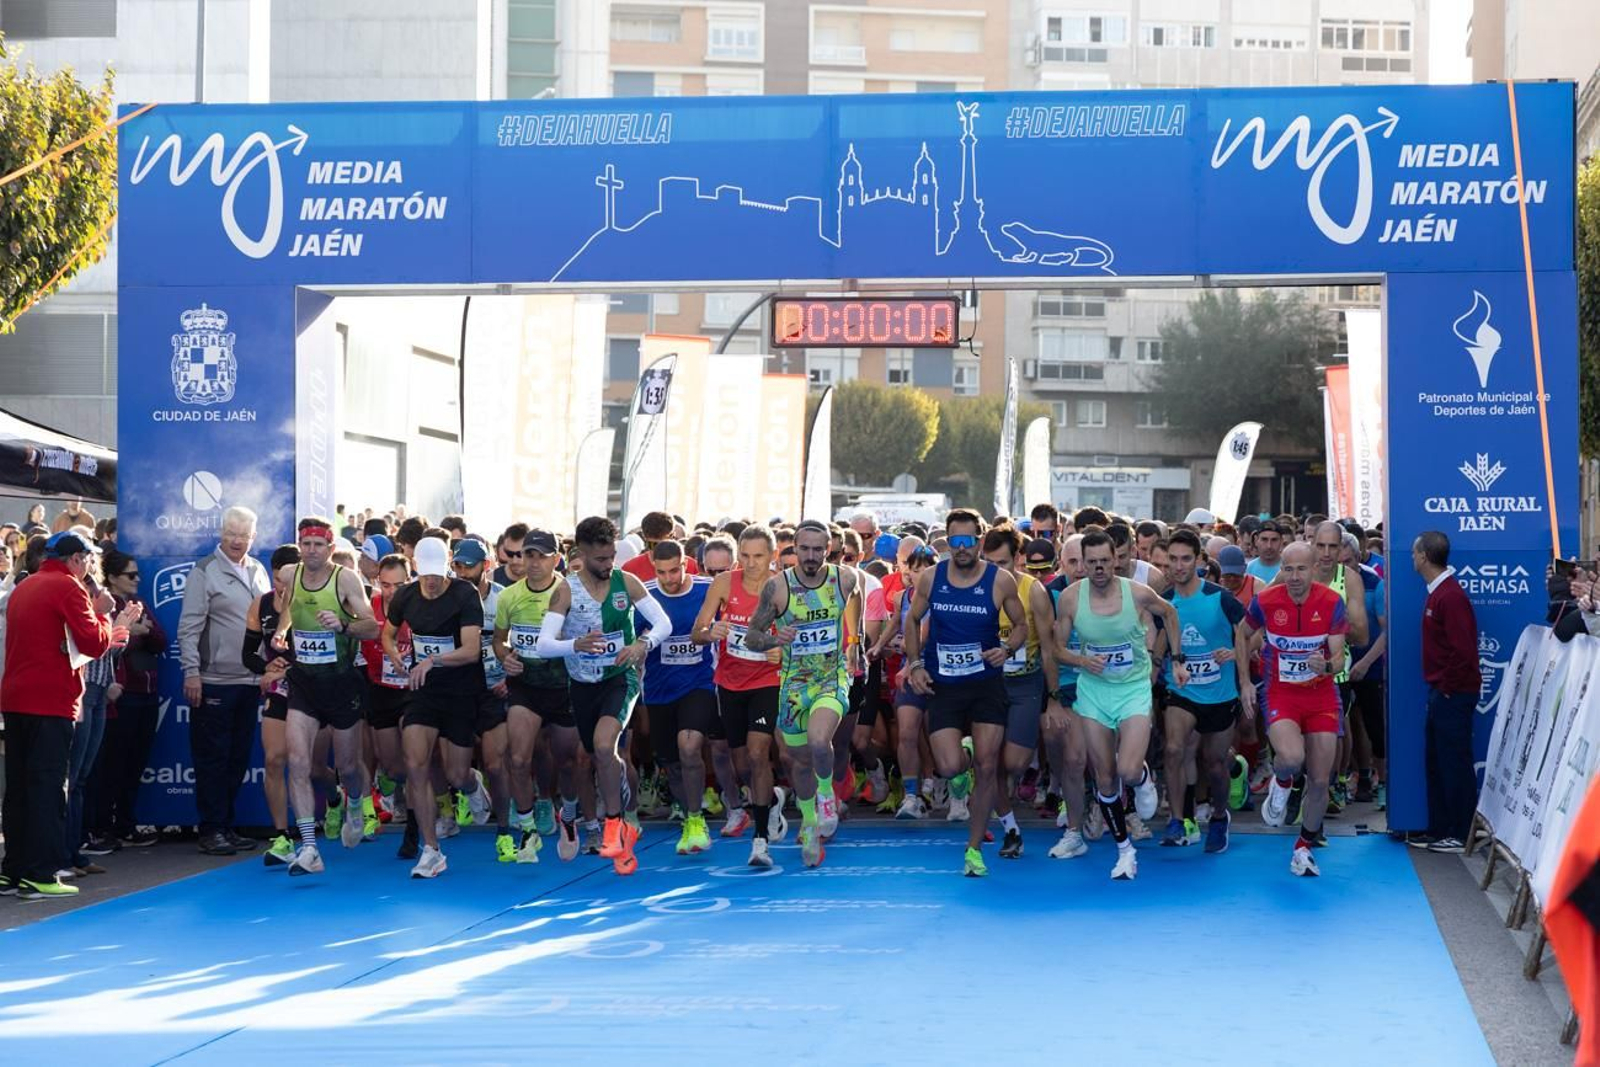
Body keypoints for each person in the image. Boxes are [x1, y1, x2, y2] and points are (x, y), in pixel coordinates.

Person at [0, 532, 137, 899]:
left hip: (15, 700)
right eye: (89, 558)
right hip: (50, 702)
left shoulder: (24, 587)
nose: (92, 564)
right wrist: (110, 619)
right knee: (48, 789)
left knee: (19, 790)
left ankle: (13, 870)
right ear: (76, 560)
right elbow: (93, 642)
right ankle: (41, 873)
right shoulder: (68, 587)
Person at [536, 516, 673, 877]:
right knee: (590, 755)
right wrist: (574, 644)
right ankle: (616, 822)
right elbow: (543, 644)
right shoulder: (565, 590)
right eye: (600, 559)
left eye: (611, 556)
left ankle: (614, 824)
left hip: (620, 678)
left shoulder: (625, 582)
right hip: (582, 684)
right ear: (581, 555)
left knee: (603, 745)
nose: (607, 564)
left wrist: (643, 643)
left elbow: (663, 624)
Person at [901, 509, 1028, 877]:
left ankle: (973, 850)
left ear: (979, 541)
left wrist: (1006, 650)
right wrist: (915, 664)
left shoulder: (999, 580)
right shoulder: (931, 577)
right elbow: (912, 619)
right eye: (953, 541)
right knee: (950, 766)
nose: (960, 548)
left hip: (986, 684)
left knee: (990, 767)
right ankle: (964, 758)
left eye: (967, 541)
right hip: (944, 685)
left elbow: (1020, 625)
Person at [1054, 529, 1187, 880]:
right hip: (1094, 692)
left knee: (1127, 770)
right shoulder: (1070, 598)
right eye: (1092, 562)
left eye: (1104, 562)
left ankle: (1143, 778)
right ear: (1082, 563)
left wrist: (1177, 659)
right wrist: (1083, 662)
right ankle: (1124, 850)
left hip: (1132, 689)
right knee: (1105, 778)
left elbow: (1171, 615)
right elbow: (1057, 649)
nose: (1098, 569)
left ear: (1116, 560)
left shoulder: (1138, 594)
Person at [740, 520, 862, 868]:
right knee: (798, 761)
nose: (810, 556)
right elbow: (752, 637)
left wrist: (856, 644)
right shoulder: (778, 588)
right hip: (794, 685)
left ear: (829, 548)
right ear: (793, 548)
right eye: (803, 549)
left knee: (819, 741)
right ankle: (809, 822)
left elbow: (856, 603)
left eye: (817, 549)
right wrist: (776, 639)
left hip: (831, 678)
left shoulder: (845, 579)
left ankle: (827, 797)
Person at [272, 517, 383, 876]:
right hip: (304, 681)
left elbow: (371, 626)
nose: (312, 551)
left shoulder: (345, 579)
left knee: (349, 767)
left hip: (341, 683)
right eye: (306, 544)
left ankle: (355, 801)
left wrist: (343, 625)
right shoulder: (290, 574)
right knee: (298, 761)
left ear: (331, 548)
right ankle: (309, 847)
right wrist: (281, 631)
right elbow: (289, 604)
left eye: (319, 545)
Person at [382, 535, 488, 879]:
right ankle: (431, 850)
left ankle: (472, 786)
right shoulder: (406, 595)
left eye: (437, 575)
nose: (430, 582)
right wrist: (396, 654)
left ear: (447, 569)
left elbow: (472, 650)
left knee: (456, 773)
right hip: (422, 690)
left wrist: (433, 661)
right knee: (416, 765)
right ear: (416, 569)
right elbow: (387, 632)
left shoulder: (464, 595)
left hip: (460, 690)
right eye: (424, 574)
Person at [1241, 542, 1348, 877]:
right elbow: (1242, 636)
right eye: (1288, 569)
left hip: (1320, 697)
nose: (1294, 576)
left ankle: (1303, 847)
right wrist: (1244, 682)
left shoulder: (1331, 602)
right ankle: (1283, 781)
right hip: (1280, 693)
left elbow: (1339, 658)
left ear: (1315, 568)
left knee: (1319, 779)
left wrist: (1326, 665)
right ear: (1280, 571)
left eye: (1301, 569)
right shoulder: (1266, 601)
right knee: (1290, 758)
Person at [177, 506, 272, 856]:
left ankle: (226, 826)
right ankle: (211, 829)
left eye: (244, 535)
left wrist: (266, 670)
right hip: (214, 679)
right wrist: (191, 672)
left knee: (237, 758)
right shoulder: (205, 571)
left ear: (253, 537)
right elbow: (189, 627)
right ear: (220, 533)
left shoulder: (258, 569)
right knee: (212, 758)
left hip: (250, 681)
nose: (237, 540)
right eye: (231, 533)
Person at [692, 525, 789, 867]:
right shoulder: (723, 584)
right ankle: (770, 801)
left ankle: (760, 839)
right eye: (744, 556)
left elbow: (801, 639)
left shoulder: (783, 587)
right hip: (730, 683)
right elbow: (697, 633)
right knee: (742, 764)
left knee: (758, 751)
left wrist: (781, 651)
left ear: (772, 556)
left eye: (758, 556)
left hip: (767, 680)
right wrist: (710, 631)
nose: (750, 563)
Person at [1158, 530, 1254, 854]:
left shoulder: (1220, 597)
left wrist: (1238, 666)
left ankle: (1218, 816)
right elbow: (1155, 643)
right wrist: (1159, 665)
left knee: (1214, 763)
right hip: (1181, 690)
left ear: (1199, 561)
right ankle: (1178, 819)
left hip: (1219, 694)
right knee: (1173, 749)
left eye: (1186, 558)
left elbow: (1250, 634)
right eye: (1173, 559)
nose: (1179, 565)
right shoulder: (1165, 601)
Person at [495, 528, 586, 861]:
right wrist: (505, 657)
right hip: (526, 687)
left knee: (568, 762)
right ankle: (528, 827)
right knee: (517, 758)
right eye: (526, 555)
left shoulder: (571, 594)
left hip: (565, 687)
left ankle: (570, 814)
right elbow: (498, 640)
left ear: (556, 559)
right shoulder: (509, 596)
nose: (532, 563)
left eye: (540, 556)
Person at [982, 526, 1059, 860]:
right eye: (989, 562)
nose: (996, 570)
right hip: (986, 684)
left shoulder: (1034, 591)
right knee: (990, 763)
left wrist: (1054, 697)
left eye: (1003, 563)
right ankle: (1010, 828)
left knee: (1012, 763)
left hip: (1025, 683)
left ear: (1019, 559)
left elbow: (1049, 648)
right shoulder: (974, 585)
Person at [639, 540, 719, 856]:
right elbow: (630, 640)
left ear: (686, 563)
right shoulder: (644, 595)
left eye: (675, 570)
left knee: (690, 747)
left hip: (700, 683)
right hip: (658, 691)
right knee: (672, 764)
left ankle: (698, 818)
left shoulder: (707, 589)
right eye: (662, 573)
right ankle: (689, 817)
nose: (669, 579)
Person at [91, 549, 168, 850]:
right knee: (112, 765)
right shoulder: (106, 604)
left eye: (138, 574)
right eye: (130, 575)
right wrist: (135, 632)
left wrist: (139, 631)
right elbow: (111, 641)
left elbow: (160, 639)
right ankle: (101, 827)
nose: (137, 579)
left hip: (147, 695)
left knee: (135, 764)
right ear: (111, 577)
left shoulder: (138, 604)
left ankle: (125, 824)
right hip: (120, 696)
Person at [1410, 530, 1480, 854]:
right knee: (1438, 762)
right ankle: (1440, 829)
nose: (1412, 558)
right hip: (1443, 691)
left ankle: (1461, 831)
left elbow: (1463, 650)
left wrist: (1448, 688)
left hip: (1452, 693)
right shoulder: (1440, 593)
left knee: (1453, 763)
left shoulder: (1449, 596)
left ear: (1424, 556)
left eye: (1414, 553)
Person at [241, 544, 302, 866]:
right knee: (275, 759)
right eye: (278, 579)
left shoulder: (309, 601)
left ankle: (335, 799)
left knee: (312, 765)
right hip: (279, 691)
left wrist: (291, 668)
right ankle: (283, 836)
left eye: (288, 581)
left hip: (312, 690)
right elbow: (248, 654)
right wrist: (265, 669)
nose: (282, 587)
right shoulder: (261, 604)